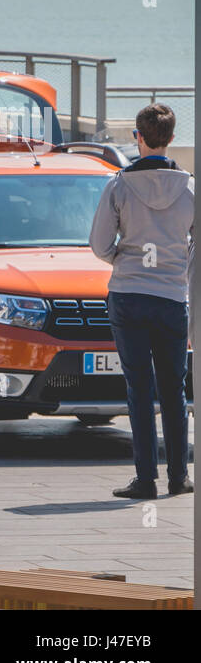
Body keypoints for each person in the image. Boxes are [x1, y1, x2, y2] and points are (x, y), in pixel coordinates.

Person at [90, 103, 194, 499]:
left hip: (129, 294)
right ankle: (178, 476)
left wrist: (123, 257)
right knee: (174, 388)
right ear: (170, 138)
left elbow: (99, 243)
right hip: (171, 296)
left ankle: (145, 478)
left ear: (138, 136)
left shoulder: (118, 184)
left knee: (138, 387)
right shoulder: (189, 186)